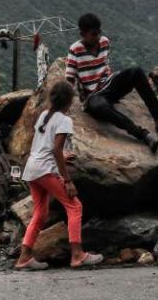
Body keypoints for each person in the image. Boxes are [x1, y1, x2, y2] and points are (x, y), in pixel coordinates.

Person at [15, 81, 103, 270]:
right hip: (45, 169)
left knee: (40, 213)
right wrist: (68, 180)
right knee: (74, 206)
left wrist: (60, 155)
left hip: (32, 168)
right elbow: (55, 149)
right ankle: (78, 255)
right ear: (70, 101)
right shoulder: (64, 120)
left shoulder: (44, 115)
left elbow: (43, 146)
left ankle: (24, 257)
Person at [66, 13, 158, 153]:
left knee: (136, 71)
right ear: (82, 34)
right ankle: (143, 135)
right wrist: (65, 106)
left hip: (109, 85)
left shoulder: (104, 42)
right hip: (93, 97)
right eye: (94, 34)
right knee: (100, 105)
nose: (98, 37)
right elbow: (69, 79)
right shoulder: (75, 50)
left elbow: (105, 66)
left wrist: (115, 78)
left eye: (99, 32)